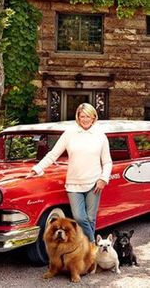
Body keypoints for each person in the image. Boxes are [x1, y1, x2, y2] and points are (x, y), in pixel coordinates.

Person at [26, 103, 112, 243]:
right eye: (82, 116)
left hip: (94, 183)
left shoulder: (100, 136)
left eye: (88, 116)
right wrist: (37, 168)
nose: (85, 119)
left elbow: (107, 162)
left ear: (94, 117)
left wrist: (103, 179)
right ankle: (92, 245)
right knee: (79, 218)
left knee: (90, 218)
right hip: (73, 184)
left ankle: (86, 254)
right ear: (78, 117)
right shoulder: (69, 134)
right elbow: (53, 154)